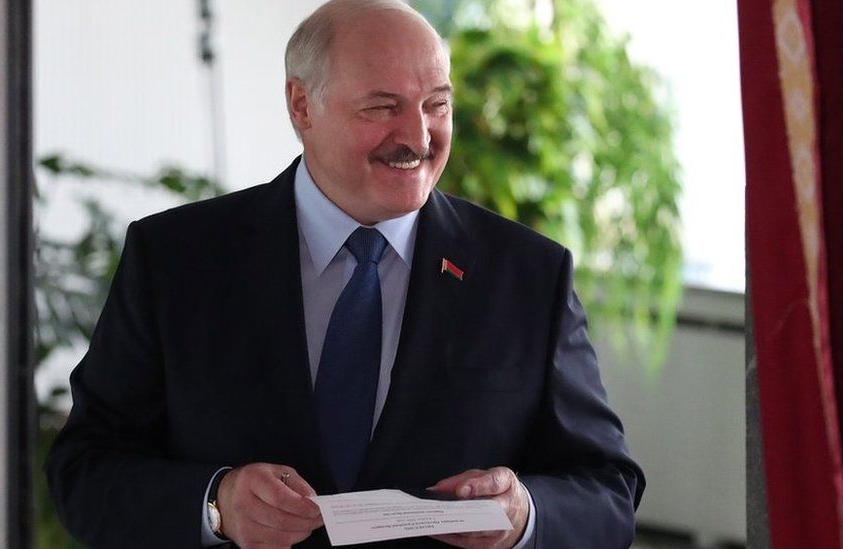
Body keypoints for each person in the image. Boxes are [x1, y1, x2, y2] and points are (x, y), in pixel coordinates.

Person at [45, 1, 644, 547]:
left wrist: (524, 515)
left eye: (437, 104)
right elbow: (85, 470)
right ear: (302, 106)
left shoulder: (528, 275)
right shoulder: (174, 258)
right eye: (382, 107)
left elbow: (607, 490)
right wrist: (215, 504)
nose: (417, 137)